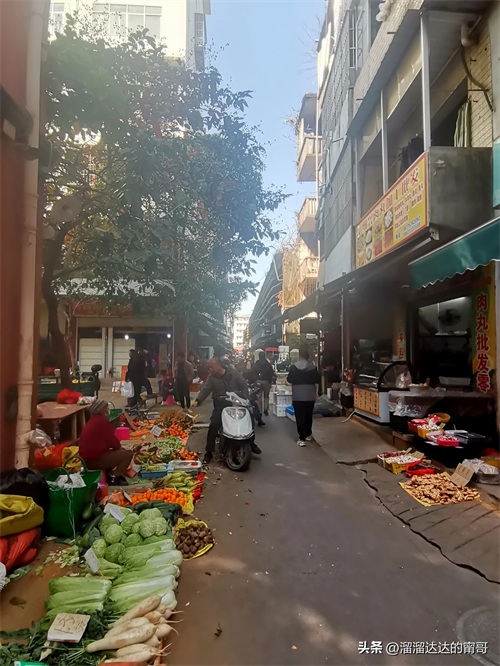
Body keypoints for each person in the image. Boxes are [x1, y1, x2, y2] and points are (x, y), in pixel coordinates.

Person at [193, 357, 261, 464]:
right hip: (221, 405)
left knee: (250, 420)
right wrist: (198, 400)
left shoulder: (233, 373)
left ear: (218, 366)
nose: (210, 369)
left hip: (236, 404)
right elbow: (206, 389)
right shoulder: (212, 377)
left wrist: (245, 397)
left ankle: (251, 443)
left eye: (211, 367)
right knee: (214, 424)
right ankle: (209, 451)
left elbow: (243, 385)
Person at [79, 400, 133, 483]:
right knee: (127, 454)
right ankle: (114, 477)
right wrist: (118, 449)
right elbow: (114, 443)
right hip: (93, 460)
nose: (108, 409)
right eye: (106, 407)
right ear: (101, 409)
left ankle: (109, 473)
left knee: (120, 451)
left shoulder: (94, 420)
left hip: (87, 458)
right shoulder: (101, 421)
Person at [287, 348, 320, 447]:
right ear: (308, 357)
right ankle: (308, 434)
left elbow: (289, 379)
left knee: (300, 416)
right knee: (308, 415)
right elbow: (318, 379)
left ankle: (302, 439)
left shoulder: (293, 367)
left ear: (300, 356)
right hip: (310, 394)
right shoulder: (313, 367)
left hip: (298, 394)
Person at [252, 351, 274, 416]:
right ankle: (265, 409)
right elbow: (271, 373)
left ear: (259, 356)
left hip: (258, 381)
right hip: (266, 382)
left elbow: (253, 372)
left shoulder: (256, 364)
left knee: (259, 396)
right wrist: (270, 381)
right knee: (266, 396)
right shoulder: (268, 364)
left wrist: (255, 380)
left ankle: (259, 410)